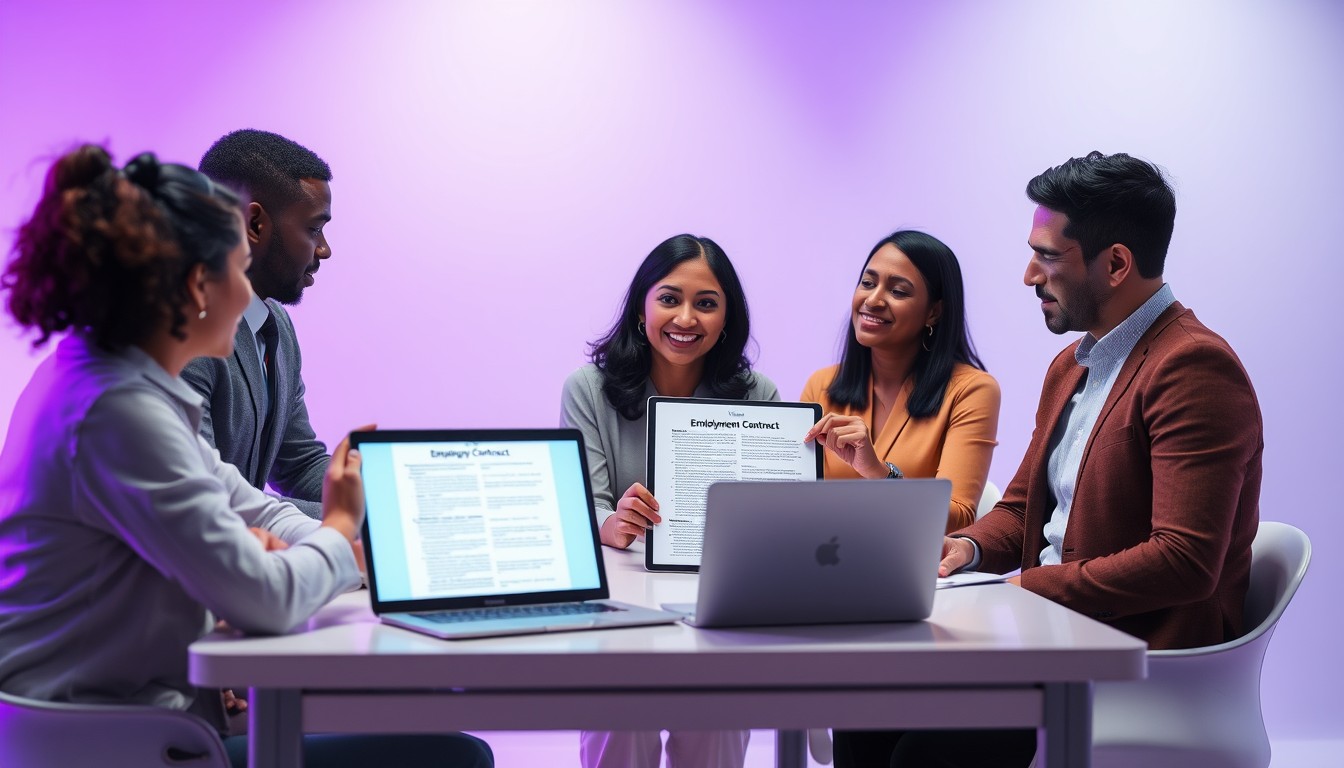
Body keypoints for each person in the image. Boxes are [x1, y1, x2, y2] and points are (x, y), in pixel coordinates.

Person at [0, 146, 492, 768]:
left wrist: (350, 548)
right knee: (454, 759)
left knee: (417, 731)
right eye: (237, 270)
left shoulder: (125, 388)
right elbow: (263, 596)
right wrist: (337, 532)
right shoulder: (117, 414)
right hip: (110, 739)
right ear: (196, 286)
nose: (248, 294)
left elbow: (249, 502)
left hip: (143, 708)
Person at [841, 152, 1264, 768]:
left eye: (1047, 256)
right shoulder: (1071, 367)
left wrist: (1026, 589)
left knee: (921, 752)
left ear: (1115, 263)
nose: (1028, 275)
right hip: (1044, 640)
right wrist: (968, 550)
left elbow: (1184, 560)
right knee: (861, 709)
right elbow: (1019, 510)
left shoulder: (1192, 368)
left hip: (1131, 656)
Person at [560, 234, 778, 768]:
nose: (686, 318)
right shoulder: (588, 388)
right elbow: (583, 503)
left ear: (727, 318)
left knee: (717, 729)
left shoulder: (761, 396)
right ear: (642, 307)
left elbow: (773, 515)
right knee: (622, 729)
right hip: (622, 605)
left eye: (706, 303)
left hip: (717, 603)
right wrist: (612, 524)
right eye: (669, 298)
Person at [801, 230, 1000, 532]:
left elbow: (959, 518)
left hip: (912, 567)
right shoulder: (823, 384)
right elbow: (798, 498)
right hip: (824, 556)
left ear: (933, 312)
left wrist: (880, 473)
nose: (873, 299)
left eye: (898, 291)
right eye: (867, 283)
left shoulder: (972, 390)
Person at [183, 129, 336, 518]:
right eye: (313, 228)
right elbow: (207, 502)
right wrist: (361, 516)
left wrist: (390, 491)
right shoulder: (180, 329)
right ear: (254, 224)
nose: (324, 249)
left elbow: (299, 463)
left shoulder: (276, 326)